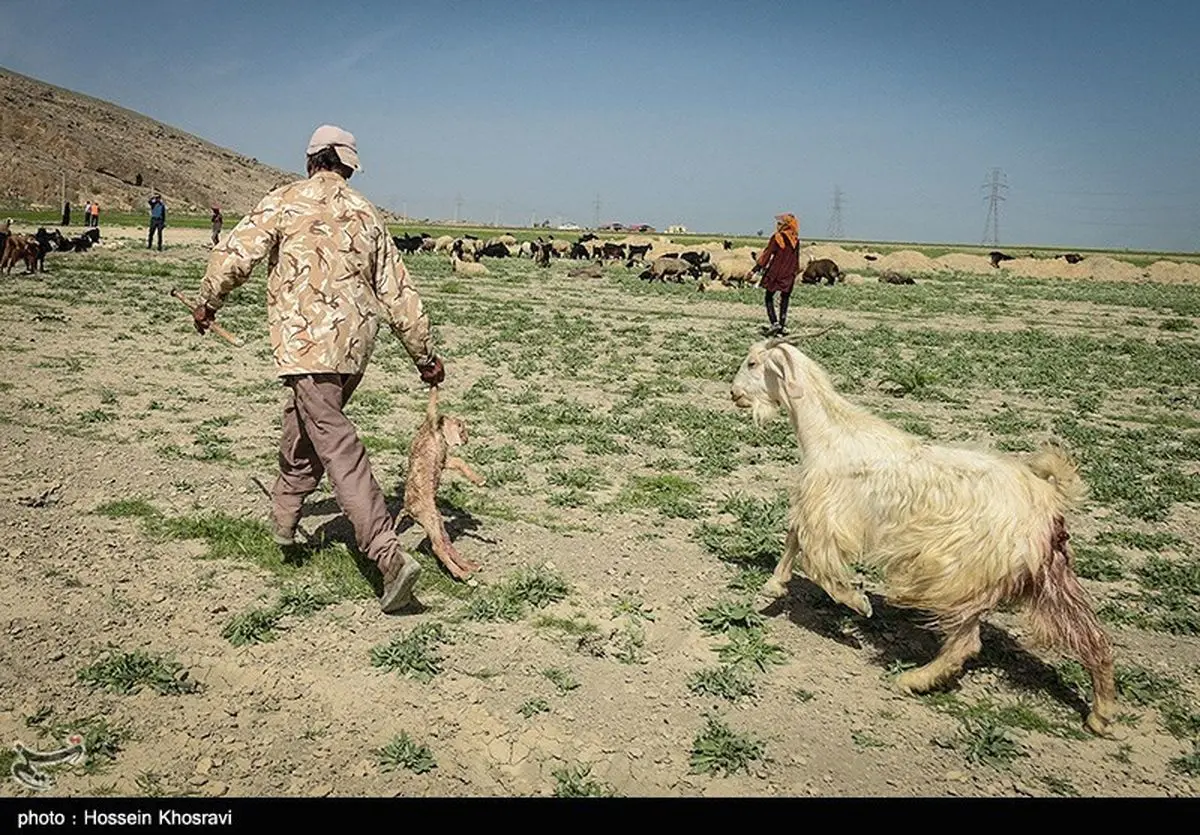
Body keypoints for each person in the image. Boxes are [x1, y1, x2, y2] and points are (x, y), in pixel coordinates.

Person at [190, 124, 445, 615]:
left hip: (307, 346)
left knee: (334, 440)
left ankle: (388, 557)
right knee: (303, 424)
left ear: (311, 161)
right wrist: (425, 355)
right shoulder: (367, 212)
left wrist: (207, 300)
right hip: (353, 350)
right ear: (347, 167)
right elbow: (399, 292)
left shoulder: (284, 199)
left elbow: (236, 253)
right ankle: (284, 525)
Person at [750, 212, 801, 336]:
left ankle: (774, 322)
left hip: (776, 272)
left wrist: (755, 269)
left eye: (780, 223)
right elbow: (796, 259)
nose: (777, 225)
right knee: (785, 298)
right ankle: (782, 325)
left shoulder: (777, 238)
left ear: (786, 225)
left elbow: (766, 255)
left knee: (768, 297)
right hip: (789, 273)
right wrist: (795, 272)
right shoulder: (795, 240)